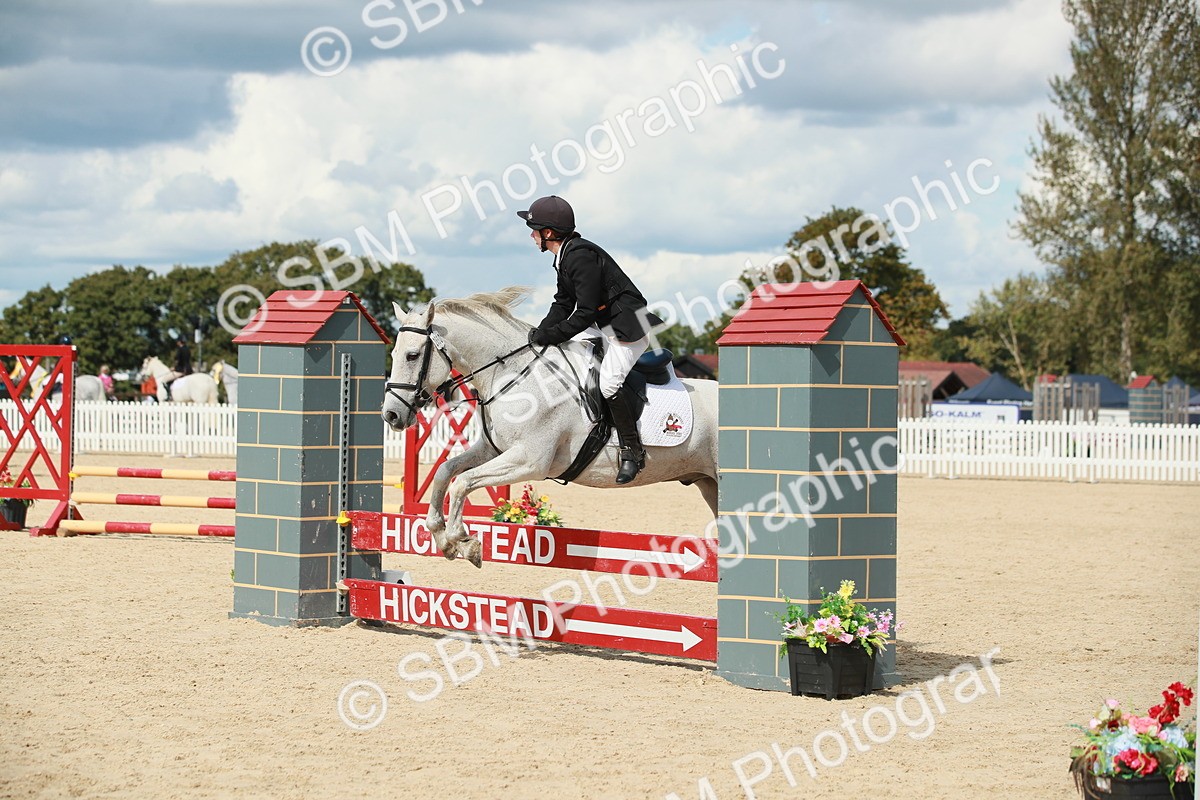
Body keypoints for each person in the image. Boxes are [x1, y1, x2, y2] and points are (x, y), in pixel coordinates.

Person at [518, 195, 662, 484]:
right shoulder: (565, 255)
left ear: (548, 233)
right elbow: (562, 303)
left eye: (534, 229)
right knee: (565, 355)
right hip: (603, 325)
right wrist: (539, 334)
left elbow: (583, 312)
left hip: (627, 329)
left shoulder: (580, 255)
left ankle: (632, 451)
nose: (531, 235)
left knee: (609, 383)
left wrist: (551, 335)